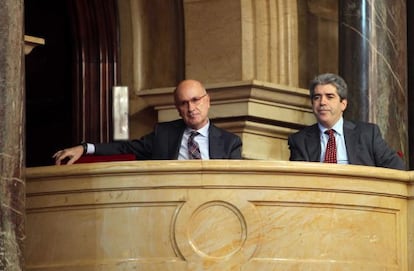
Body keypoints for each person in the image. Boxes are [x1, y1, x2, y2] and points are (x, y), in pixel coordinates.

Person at [53, 79, 242, 165]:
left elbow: (237, 184)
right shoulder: (164, 134)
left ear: (207, 101)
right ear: (177, 109)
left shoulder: (230, 142)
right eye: (183, 103)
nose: (191, 108)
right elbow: (124, 149)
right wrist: (85, 148)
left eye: (195, 100)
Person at [288, 73, 405, 170]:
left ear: (343, 104)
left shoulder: (368, 134)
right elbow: (299, 180)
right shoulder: (299, 141)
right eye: (317, 97)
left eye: (329, 97)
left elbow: (396, 168)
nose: (322, 102)